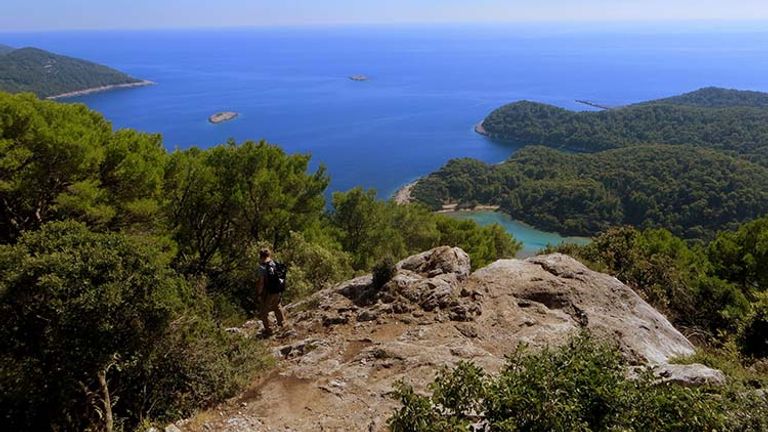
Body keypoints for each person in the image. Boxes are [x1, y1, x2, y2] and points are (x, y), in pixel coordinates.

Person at [256, 247, 285, 336]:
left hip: (268, 292)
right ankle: (282, 325)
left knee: (264, 311)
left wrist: (259, 293)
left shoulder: (262, 267)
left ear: (261, 256)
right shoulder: (275, 263)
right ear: (269, 255)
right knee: (277, 306)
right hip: (278, 290)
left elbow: (261, 282)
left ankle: (269, 330)